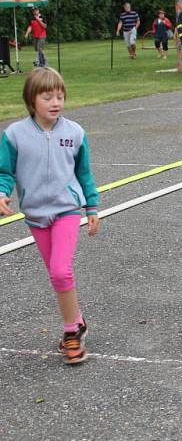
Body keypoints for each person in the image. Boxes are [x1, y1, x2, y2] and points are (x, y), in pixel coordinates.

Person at [0, 67, 100, 364]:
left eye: (60, 96)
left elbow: (84, 173)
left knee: (60, 271)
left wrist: (91, 207)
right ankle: (78, 321)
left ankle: (71, 333)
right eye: (48, 97)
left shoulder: (75, 133)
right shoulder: (14, 135)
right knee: (56, 276)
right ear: (32, 101)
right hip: (36, 215)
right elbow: (5, 172)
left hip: (67, 211)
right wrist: (2, 192)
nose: (56, 102)